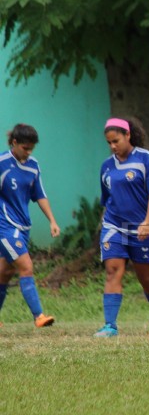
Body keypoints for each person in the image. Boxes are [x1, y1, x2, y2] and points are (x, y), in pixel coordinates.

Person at [94, 117, 149, 337]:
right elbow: (106, 199)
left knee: (147, 279)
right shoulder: (106, 166)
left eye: (116, 140)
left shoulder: (146, 159)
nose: (113, 146)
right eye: (109, 143)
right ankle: (110, 326)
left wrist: (147, 222)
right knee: (113, 270)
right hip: (114, 225)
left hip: (141, 228)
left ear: (128, 135)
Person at [0, 124, 59, 329]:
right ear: (14, 143)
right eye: (25, 148)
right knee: (26, 266)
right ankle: (39, 316)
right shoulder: (2, 163)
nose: (28, 152)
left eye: (31, 148)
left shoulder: (33, 165)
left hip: (23, 226)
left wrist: (52, 220)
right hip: (4, 226)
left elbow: (39, 195)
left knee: (4, 273)